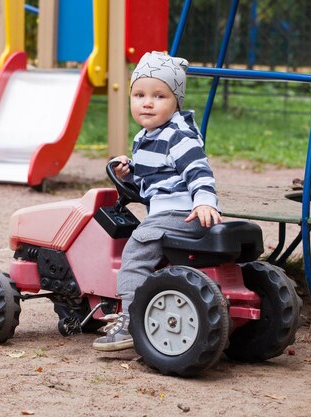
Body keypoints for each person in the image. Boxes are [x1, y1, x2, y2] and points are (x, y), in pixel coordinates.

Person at [92, 51, 222, 352]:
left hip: (180, 212)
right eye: (139, 94)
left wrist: (204, 201)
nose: (147, 102)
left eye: (159, 95)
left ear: (176, 101)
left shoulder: (178, 134)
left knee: (135, 252)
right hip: (169, 210)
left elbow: (198, 169)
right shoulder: (147, 137)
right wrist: (128, 174)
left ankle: (130, 320)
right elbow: (152, 182)